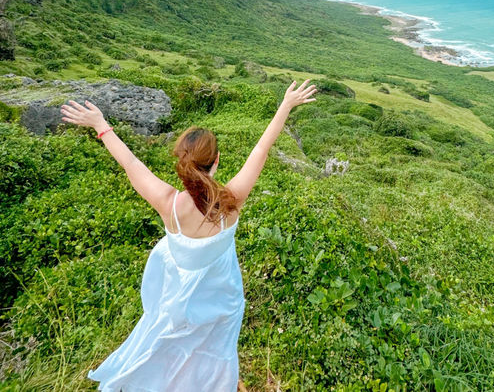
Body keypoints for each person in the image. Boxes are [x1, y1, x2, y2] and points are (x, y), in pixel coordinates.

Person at [60, 78, 317, 392]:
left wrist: (101, 124)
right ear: (217, 161)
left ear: (180, 163)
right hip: (222, 299)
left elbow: (130, 162)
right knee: (213, 353)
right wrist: (285, 105)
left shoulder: (168, 204)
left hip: (179, 300)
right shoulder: (231, 202)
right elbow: (261, 148)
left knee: (171, 348)